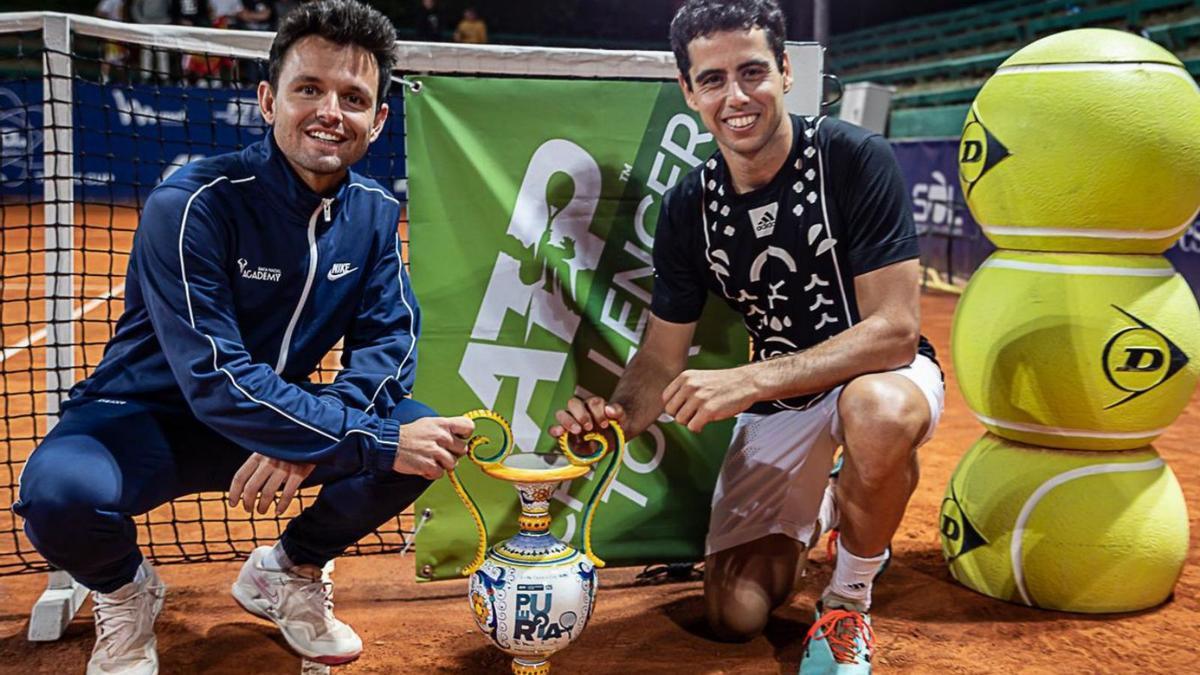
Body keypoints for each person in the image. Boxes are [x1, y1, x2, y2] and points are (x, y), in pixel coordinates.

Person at [14, 1, 474, 673]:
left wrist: (311, 435)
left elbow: (389, 344)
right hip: (142, 421)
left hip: (273, 417)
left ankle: (289, 567)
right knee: (57, 495)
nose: (329, 111)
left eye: (353, 97)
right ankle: (123, 590)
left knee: (422, 436)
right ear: (267, 100)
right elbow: (214, 375)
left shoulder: (374, 215)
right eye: (308, 89)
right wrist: (349, 435)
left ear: (377, 120)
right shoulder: (192, 204)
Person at [549, 0, 943, 672]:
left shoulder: (853, 158)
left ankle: (847, 599)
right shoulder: (687, 207)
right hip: (784, 401)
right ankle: (829, 498)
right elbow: (659, 360)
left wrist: (753, 377)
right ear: (688, 90)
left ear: (786, 71)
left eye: (753, 71)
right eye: (713, 79)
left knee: (874, 413)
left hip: (877, 378)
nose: (736, 96)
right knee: (736, 615)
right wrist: (613, 422)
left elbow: (895, 332)